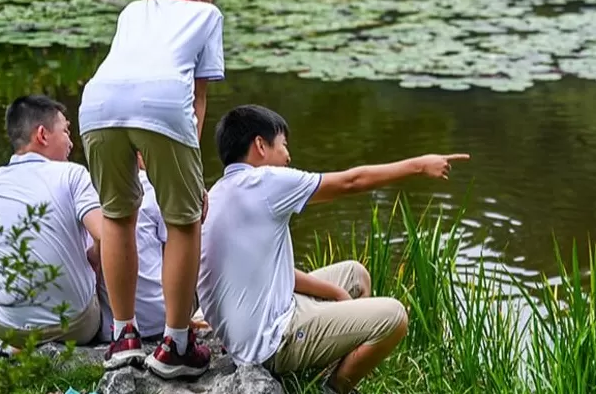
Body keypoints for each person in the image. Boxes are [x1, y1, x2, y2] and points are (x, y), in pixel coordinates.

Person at [197, 104, 469, 394]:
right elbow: (353, 181)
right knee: (394, 316)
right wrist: (419, 165)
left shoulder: (218, 193)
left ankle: (334, 360)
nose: (288, 157)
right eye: (284, 145)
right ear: (260, 145)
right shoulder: (265, 182)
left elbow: (267, 272)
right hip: (271, 341)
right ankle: (335, 388)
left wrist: (337, 293)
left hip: (251, 328)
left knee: (355, 275)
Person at [78, 0, 225, 378]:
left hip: (97, 106)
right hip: (162, 105)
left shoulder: (130, 12)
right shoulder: (206, 15)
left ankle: (123, 338)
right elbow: (196, 99)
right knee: (184, 220)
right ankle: (177, 343)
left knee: (118, 215)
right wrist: (190, 176)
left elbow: (131, 73)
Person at [0, 95, 104, 375]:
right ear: (42, 134)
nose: (71, 142)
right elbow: (106, 235)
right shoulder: (73, 175)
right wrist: (93, 254)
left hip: (7, 325)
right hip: (78, 324)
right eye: (66, 131)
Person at [94, 155, 167, 343]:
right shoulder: (155, 188)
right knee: (188, 244)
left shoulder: (92, 190)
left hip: (111, 323)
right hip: (160, 319)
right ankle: (180, 333)